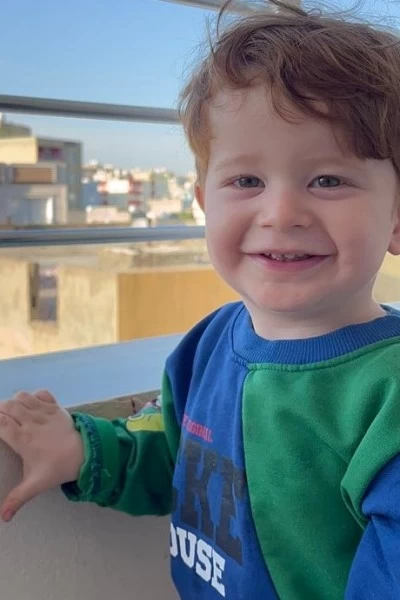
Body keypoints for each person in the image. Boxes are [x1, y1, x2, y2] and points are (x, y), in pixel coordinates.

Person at [2, 1, 400, 597]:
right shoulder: (208, 343)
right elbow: (176, 456)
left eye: (328, 180)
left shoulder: (387, 397)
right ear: (204, 203)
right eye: (247, 181)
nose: (281, 213)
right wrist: (81, 451)